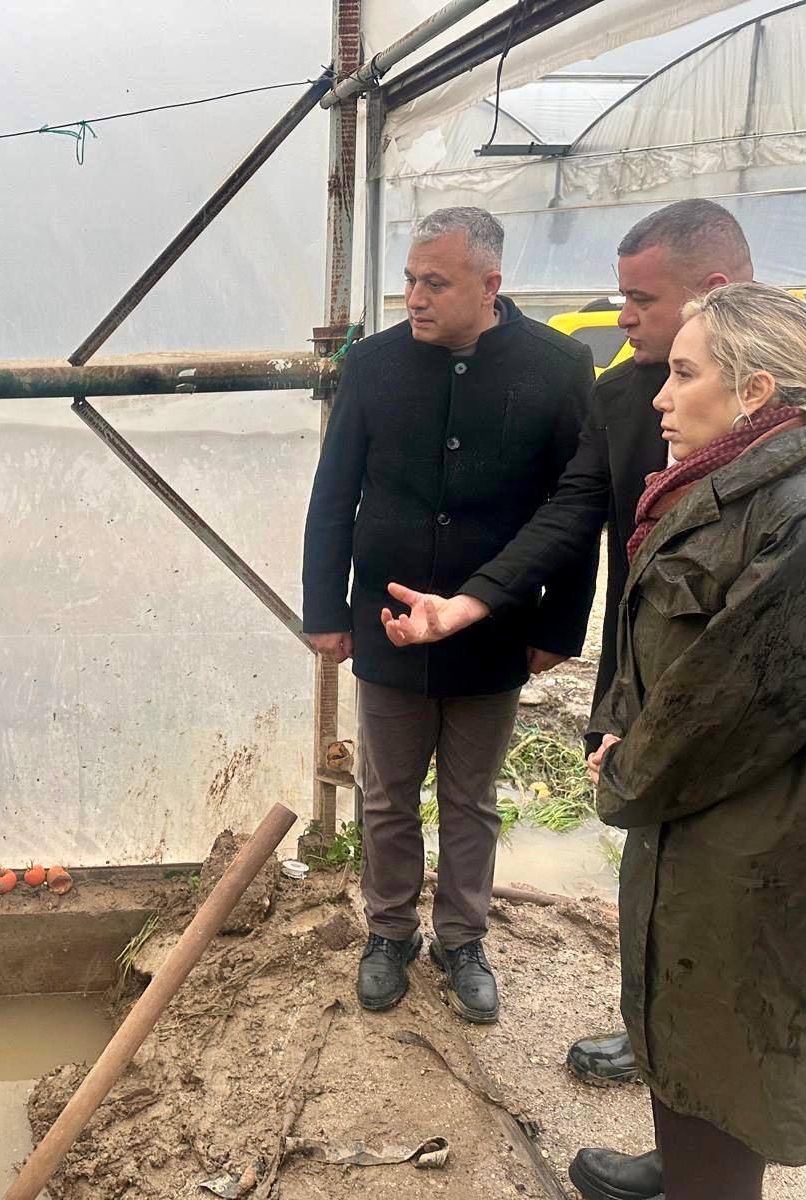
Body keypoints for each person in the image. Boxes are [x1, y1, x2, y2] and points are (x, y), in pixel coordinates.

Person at [374, 199, 806, 1200]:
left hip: (791, 748)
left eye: (642, 302)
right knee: (685, 971)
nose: (623, 319)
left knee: (749, 992)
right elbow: (581, 518)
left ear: (727, 326)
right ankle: (685, 1148)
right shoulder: (637, 403)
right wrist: (474, 609)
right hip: (685, 732)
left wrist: (634, 766)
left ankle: (709, 1165)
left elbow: (746, 687)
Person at [585, 283, 806, 1199]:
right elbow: (668, 647)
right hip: (699, 820)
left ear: (754, 391)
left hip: (757, 844)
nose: (660, 395)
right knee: (688, 1036)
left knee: (726, 1057)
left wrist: (626, 773)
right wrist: (623, 726)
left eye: (684, 374)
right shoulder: (730, 487)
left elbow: (729, 707)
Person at [302, 206, 596, 1024]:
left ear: (490, 284)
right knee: (386, 795)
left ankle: (462, 939)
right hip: (388, 621)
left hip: (493, 627)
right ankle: (389, 931)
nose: (414, 298)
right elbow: (334, 494)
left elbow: (576, 508)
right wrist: (325, 608)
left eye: (435, 282)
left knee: (472, 799)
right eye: (409, 280)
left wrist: (558, 627)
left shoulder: (557, 367)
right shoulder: (373, 364)